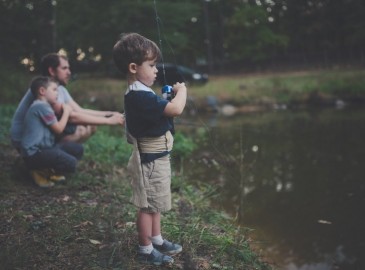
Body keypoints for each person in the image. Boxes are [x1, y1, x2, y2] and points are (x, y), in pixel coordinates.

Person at [113, 33, 187, 266]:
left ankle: (156, 238)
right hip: (151, 160)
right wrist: (182, 91)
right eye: (152, 65)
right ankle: (145, 249)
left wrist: (165, 97)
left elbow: (157, 111)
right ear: (134, 67)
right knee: (147, 206)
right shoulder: (138, 95)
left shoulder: (141, 93)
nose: (156, 70)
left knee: (155, 203)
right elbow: (175, 110)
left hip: (157, 157)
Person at [10, 53, 125, 151]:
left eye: (68, 68)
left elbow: (80, 110)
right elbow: (72, 117)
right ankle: (46, 163)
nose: (69, 72)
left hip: (41, 134)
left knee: (90, 126)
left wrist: (110, 113)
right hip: (23, 140)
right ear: (51, 70)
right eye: (64, 68)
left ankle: (56, 159)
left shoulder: (59, 89)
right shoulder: (45, 91)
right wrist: (109, 121)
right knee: (80, 129)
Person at [21, 76, 84, 188]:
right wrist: (67, 111)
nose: (57, 93)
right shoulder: (41, 106)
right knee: (71, 163)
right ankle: (38, 171)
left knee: (78, 149)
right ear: (42, 91)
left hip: (45, 149)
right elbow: (59, 129)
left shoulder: (45, 106)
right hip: (34, 154)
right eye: (54, 90)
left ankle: (48, 169)